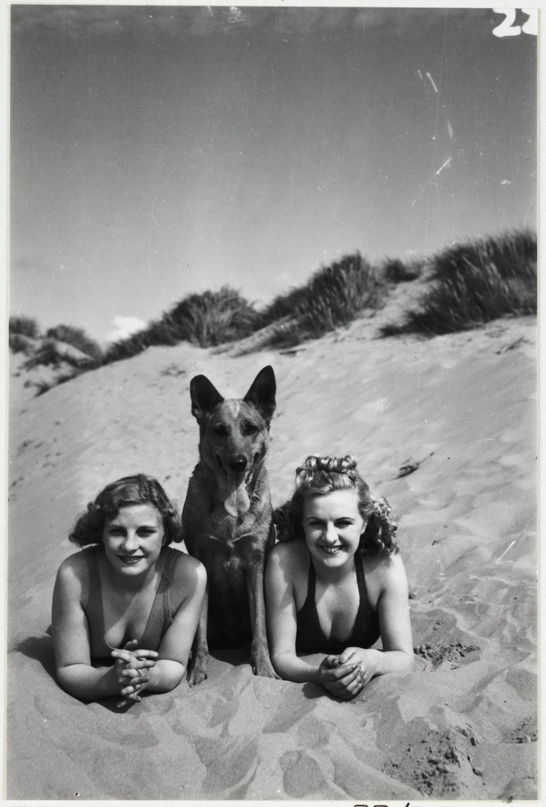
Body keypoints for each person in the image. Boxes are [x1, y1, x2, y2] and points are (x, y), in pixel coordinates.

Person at [265, 455, 414, 700]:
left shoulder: (384, 564)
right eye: (316, 523)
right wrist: (316, 675)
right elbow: (281, 656)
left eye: (343, 523)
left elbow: (404, 657)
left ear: (364, 522)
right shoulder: (284, 562)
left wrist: (374, 660)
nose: (330, 537)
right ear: (302, 523)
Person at [52, 474, 206, 707]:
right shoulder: (75, 574)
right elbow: (69, 666)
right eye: (117, 532)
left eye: (145, 532)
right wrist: (107, 681)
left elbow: (174, 662)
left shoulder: (188, 575)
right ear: (100, 533)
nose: (130, 545)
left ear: (165, 533)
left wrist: (148, 677)